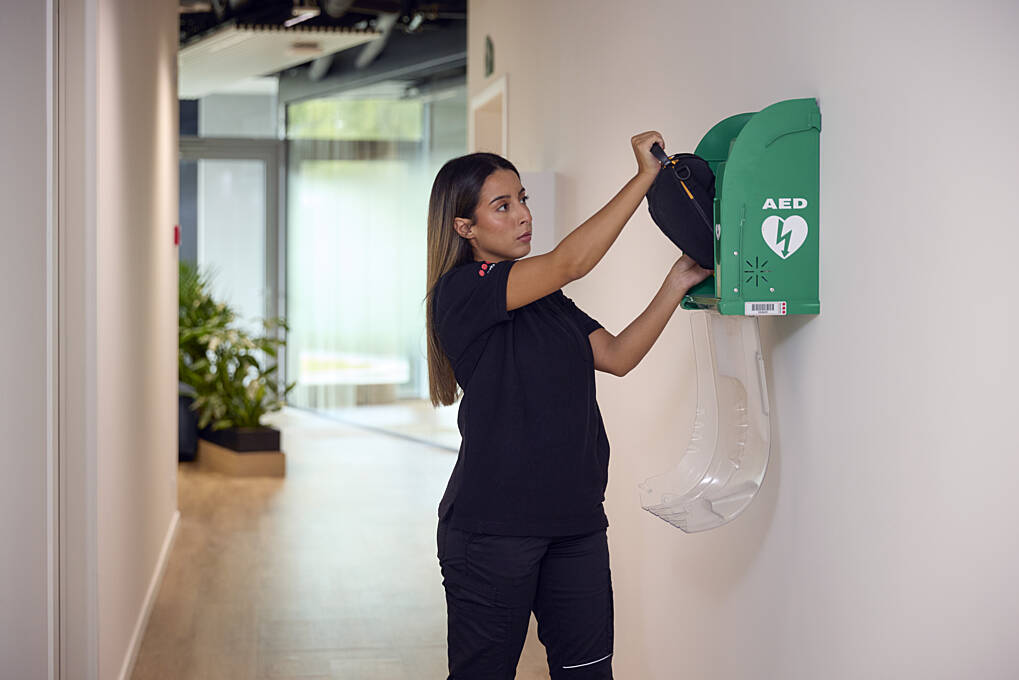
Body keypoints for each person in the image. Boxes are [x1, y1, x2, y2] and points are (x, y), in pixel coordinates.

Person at [425, 132, 712, 679]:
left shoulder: (545, 299)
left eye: (524, 199)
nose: (522, 215)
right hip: (492, 533)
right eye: (502, 206)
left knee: (587, 674)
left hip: (575, 525)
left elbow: (619, 355)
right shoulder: (461, 291)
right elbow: (571, 262)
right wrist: (645, 178)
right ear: (466, 227)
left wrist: (677, 281)